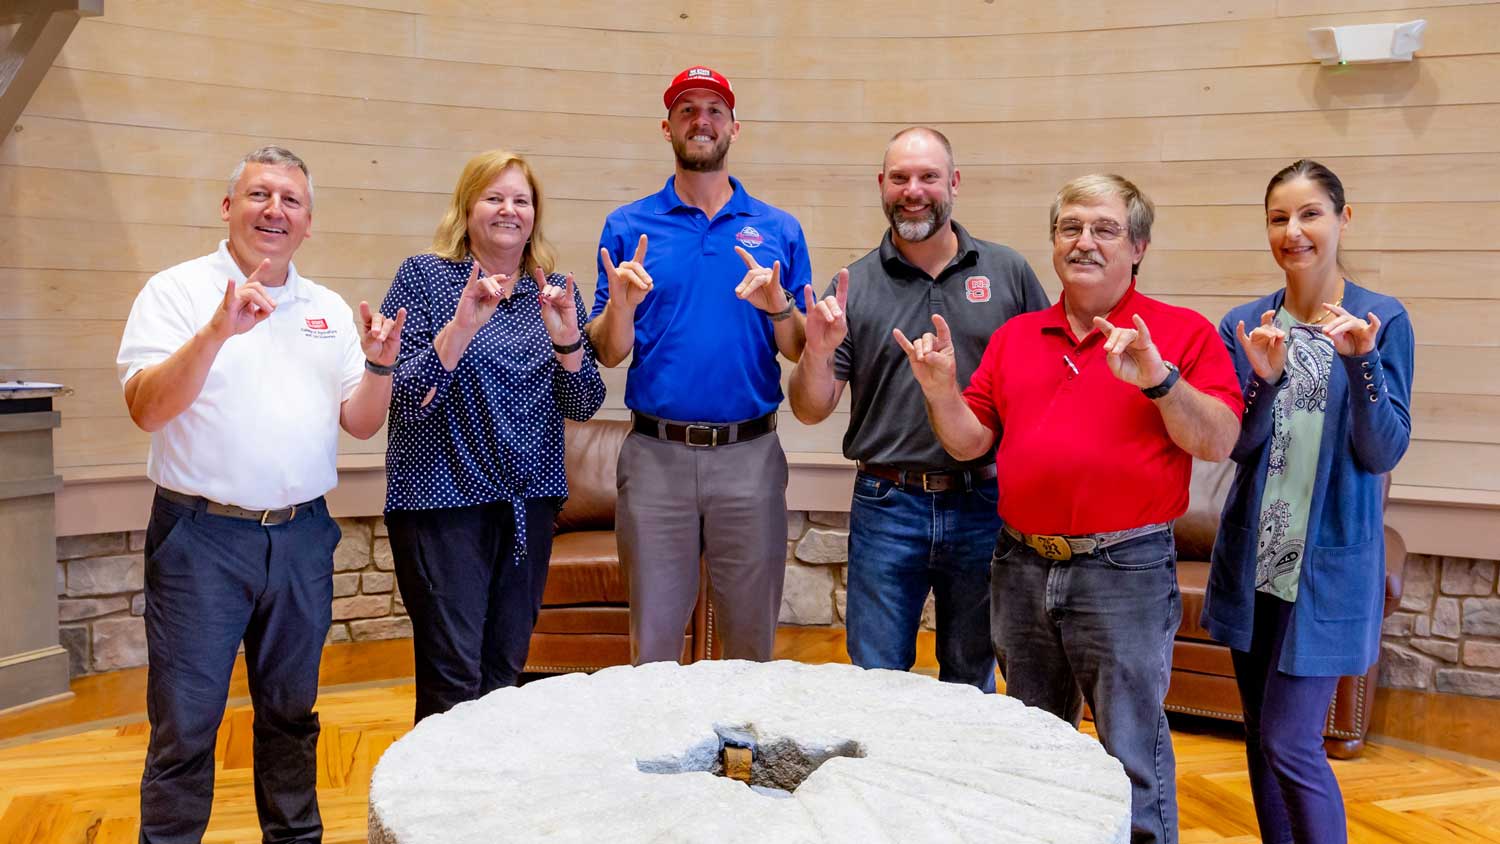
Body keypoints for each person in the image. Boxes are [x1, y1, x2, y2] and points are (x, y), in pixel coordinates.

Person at [897, 174, 1243, 844]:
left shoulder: (1180, 333)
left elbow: (1217, 438)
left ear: (1138, 246)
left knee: (1130, 753)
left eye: (1105, 229)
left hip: (1125, 573)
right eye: (1070, 228)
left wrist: (1159, 381)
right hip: (1021, 566)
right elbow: (972, 442)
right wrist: (939, 391)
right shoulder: (1017, 336)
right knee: (1033, 748)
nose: (1084, 242)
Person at [117, 145, 404, 843]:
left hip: (302, 537)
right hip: (200, 540)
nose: (275, 210)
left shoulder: (328, 309)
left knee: (291, 713)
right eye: (258, 195)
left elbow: (360, 422)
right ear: (228, 208)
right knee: (186, 723)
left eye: (291, 200)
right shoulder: (175, 292)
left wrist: (381, 365)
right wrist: (219, 329)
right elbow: (146, 409)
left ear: (308, 223)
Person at [788, 126, 1047, 690]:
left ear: (953, 183)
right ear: (882, 185)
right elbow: (810, 409)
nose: (914, 190)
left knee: (971, 679)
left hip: (985, 501)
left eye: (928, 176)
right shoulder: (850, 284)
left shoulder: (1008, 274)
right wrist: (818, 350)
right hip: (887, 503)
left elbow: (1044, 385)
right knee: (878, 682)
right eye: (900, 177)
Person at [1204, 160, 1413, 844]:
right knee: (1263, 747)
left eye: (1310, 214)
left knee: (1291, 743)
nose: (1293, 231)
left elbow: (1382, 451)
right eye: (1278, 218)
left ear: (1342, 219)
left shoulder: (1382, 319)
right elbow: (1239, 446)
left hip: (1328, 571)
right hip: (1254, 564)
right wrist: (1261, 382)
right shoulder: (1245, 322)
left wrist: (1361, 360)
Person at [586, 66, 811, 663]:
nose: (701, 120)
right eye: (688, 110)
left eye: (714, 109)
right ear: (667, 128)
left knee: (749, 648)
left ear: (735, 126)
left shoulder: (779, 229)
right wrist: (624, 307)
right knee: (654, 649)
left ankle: (742, 760)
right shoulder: (628, 226)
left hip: (751, 457)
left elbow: (797, 346)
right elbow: (609, 351)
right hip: (656, 458)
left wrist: (779, 304)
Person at [379, 150, 605, 723]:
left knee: (504, 671)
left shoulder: (551, 288)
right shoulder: (424, 277)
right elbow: (400, 397)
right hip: (440, 504)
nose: (509, 209)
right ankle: (434, 809)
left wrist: (569, 341)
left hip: (528, 503)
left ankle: (493, 805)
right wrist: (461, 328)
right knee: (453, 677)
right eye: (494, 197)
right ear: (467, 207)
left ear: (535, 214)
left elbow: (583, 403)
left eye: (521, 200)